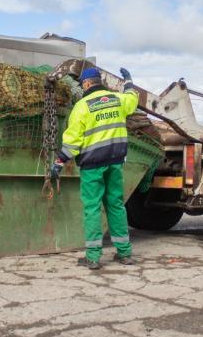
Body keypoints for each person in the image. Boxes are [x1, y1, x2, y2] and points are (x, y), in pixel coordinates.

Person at [51, 67, 139, 270]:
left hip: (92, 166)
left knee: (92, 209)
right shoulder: (118, 100)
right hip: (115, 162)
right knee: (116, 205)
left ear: (88, 83)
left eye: (83, 84)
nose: (82, 87)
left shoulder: (82, 107)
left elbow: (73, 141)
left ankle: (93, 257)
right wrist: (128, 82)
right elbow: (132, 99)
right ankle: (124, 253)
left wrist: (59, 163)